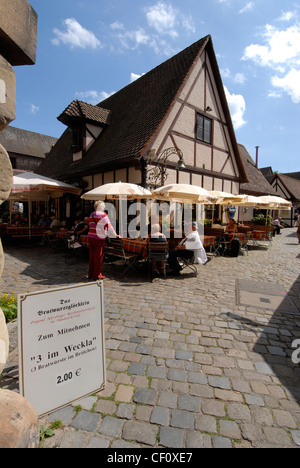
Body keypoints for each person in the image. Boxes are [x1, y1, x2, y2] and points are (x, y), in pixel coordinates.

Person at [88, 200, 119, 280]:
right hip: (99, 237)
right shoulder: (103, 215)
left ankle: (90, 273)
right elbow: (109, 226)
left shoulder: (91, 214)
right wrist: (115, 234)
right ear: (101, 207)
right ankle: (97, 274)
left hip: (91, 236)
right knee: (98, 256)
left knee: (92, 256)